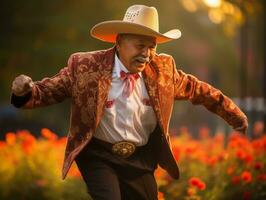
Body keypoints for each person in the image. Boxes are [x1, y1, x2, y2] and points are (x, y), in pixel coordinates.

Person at [11, 4, 248, 200]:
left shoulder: (163, 71)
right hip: (98, 155)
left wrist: (234, 114)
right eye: (140, 46)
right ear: (120, 40)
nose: (146, 54)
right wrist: (24, 92)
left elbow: (198, 90)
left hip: (140, 158)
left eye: (151, 47)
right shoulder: (85, 67)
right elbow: (49, 90)